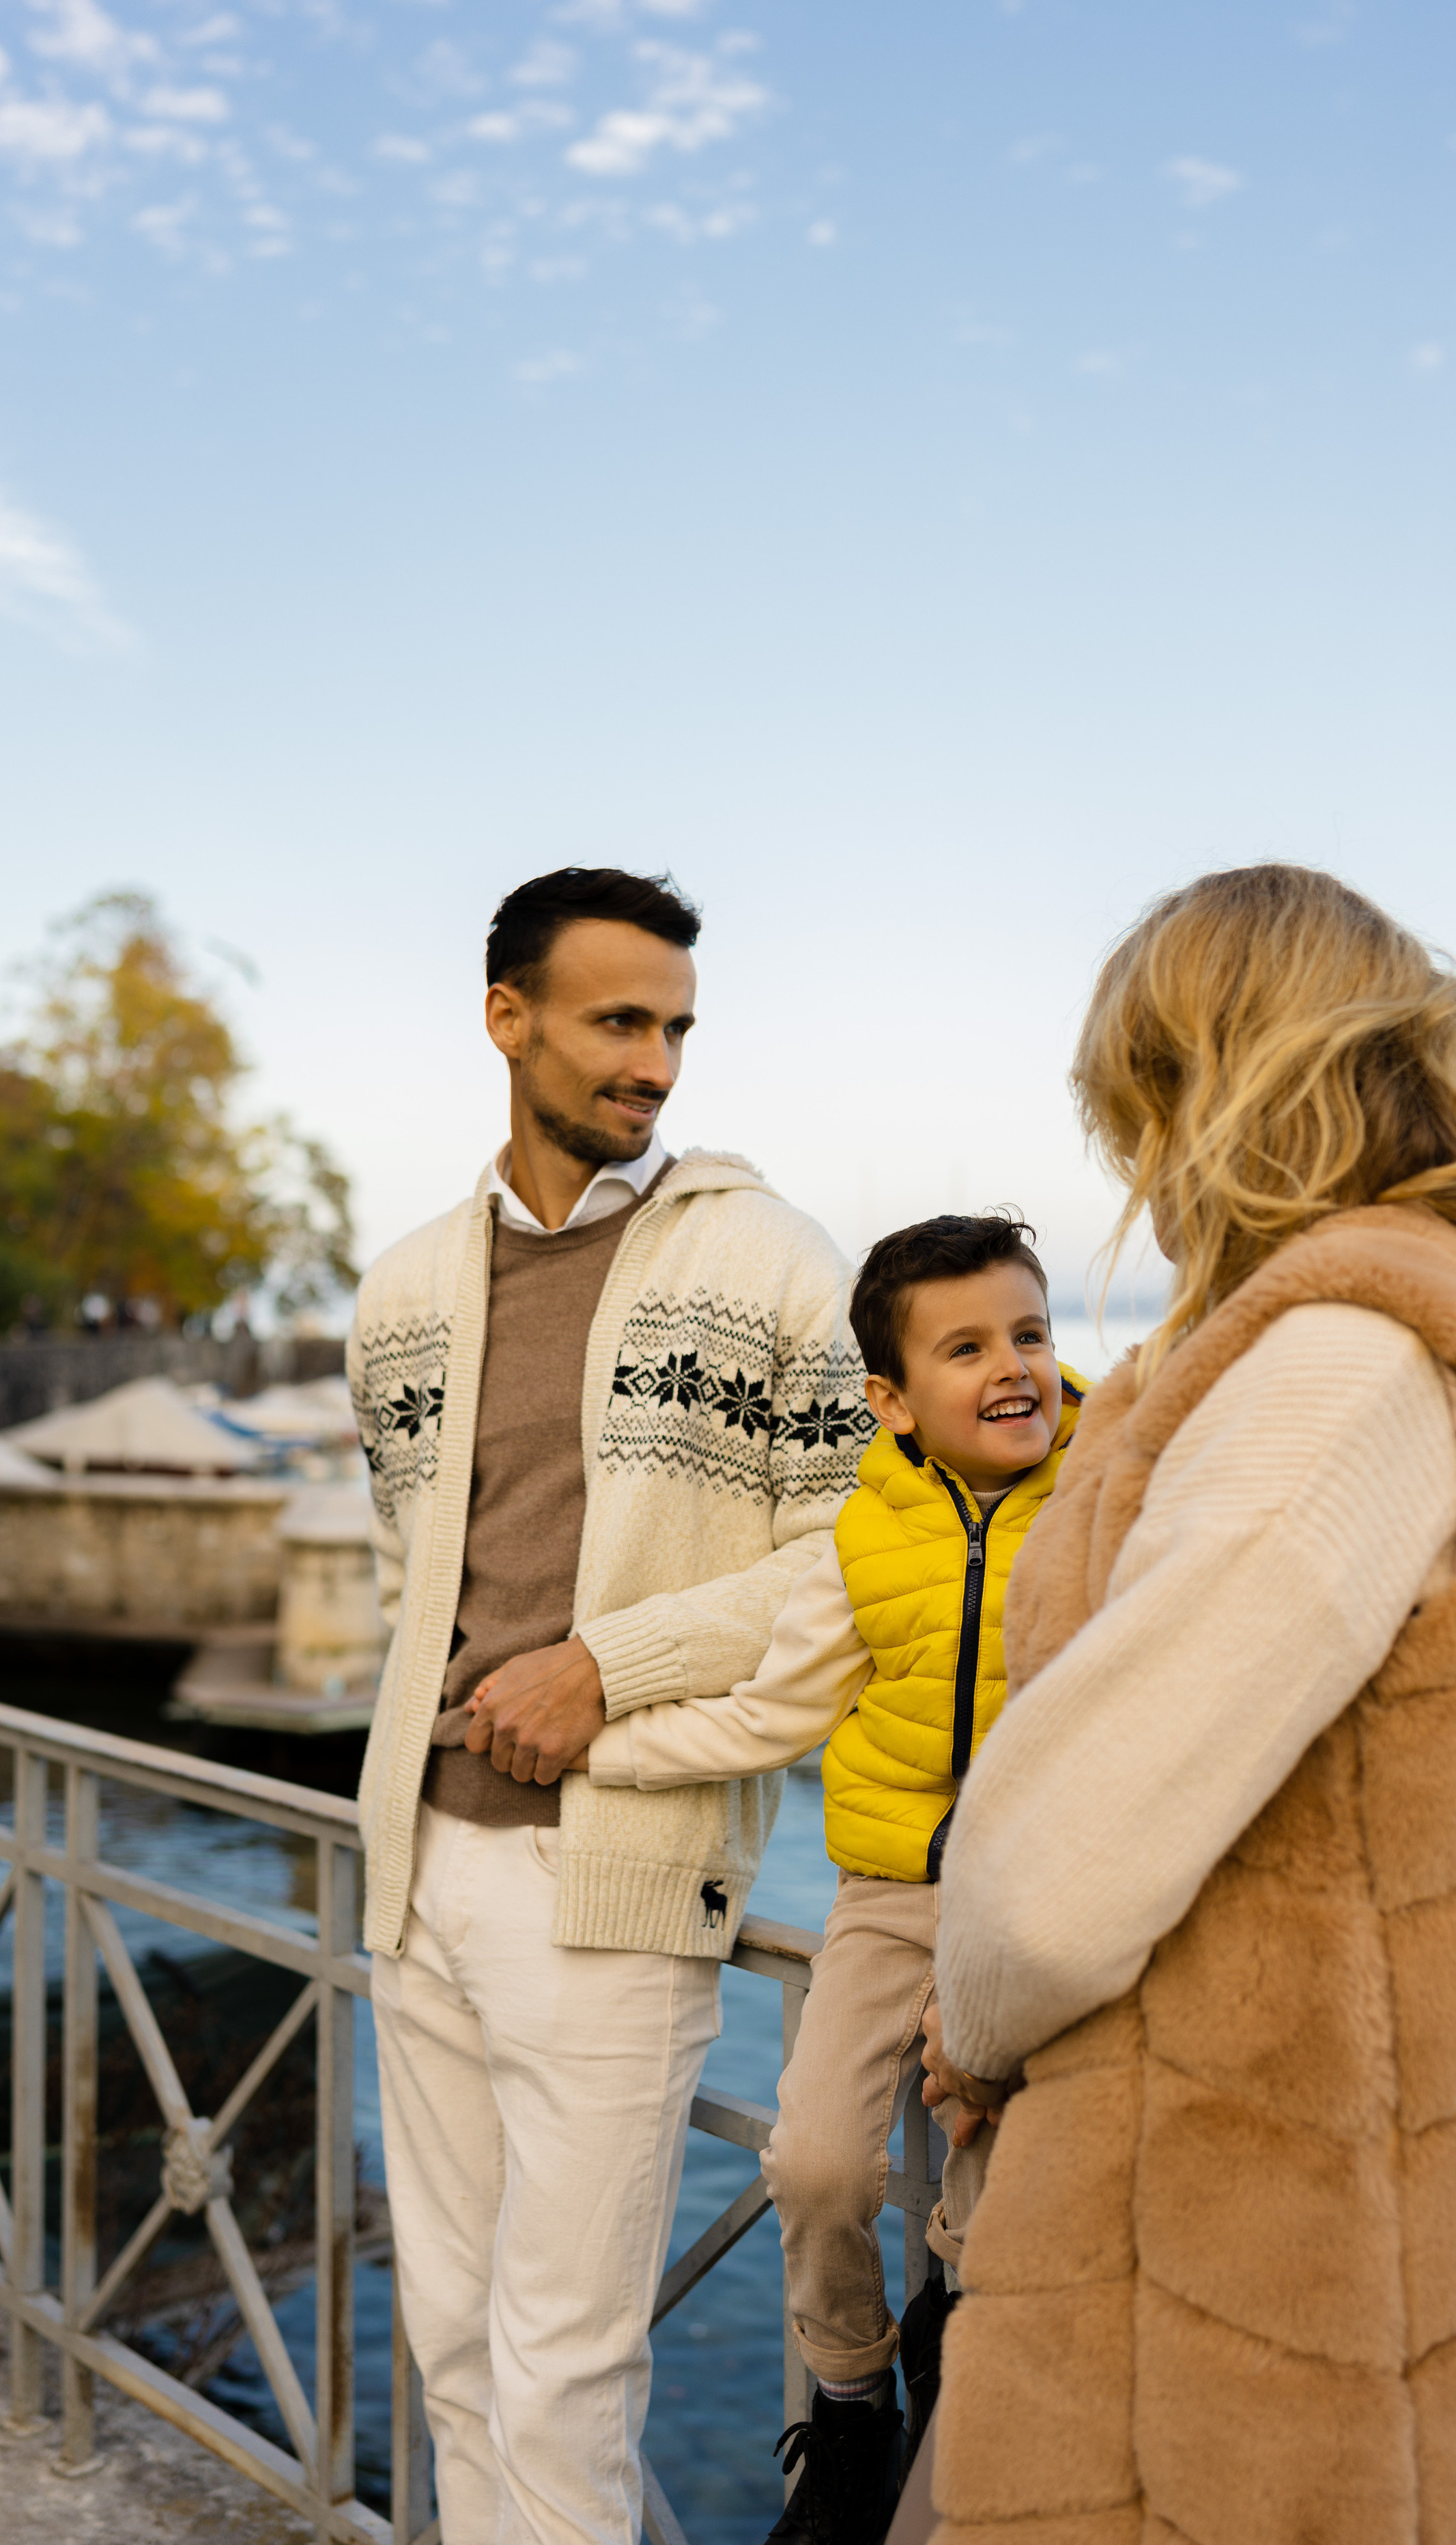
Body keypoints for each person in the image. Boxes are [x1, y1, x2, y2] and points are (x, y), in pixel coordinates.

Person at [920, 865, 1456, 2545]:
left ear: (1217, 1087)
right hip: (1289, 2235)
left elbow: (1062, 1866)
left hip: (1235, 2272)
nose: (1132, 1168)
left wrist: (970, 2021)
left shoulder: (1335, 1369)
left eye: (1138, 1107)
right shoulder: (1373, 1339)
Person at [347, 865, 871, 2545]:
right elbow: (409, 1570)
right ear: (506, 1019)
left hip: (619, 1881)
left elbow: (854, 1559)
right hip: (417, 1868)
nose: (654, 1063)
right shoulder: (403, 1290)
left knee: (562, 2371)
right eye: (618, 1021)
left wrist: (605, 1669)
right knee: (451, 2345)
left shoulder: (771, 1261)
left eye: (676, 1029)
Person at [570, 1213, 1084, 2545]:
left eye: (1028, 1334)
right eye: (964, 1348)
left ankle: (961, 2373)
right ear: (890, 1401)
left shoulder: (1107, 1509)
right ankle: (853, 2408)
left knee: (996, 2194)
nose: (1012, 1367)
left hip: (1045, 1913)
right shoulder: (859, 1539)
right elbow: (771, 1716)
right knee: (809, 2164)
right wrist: (601, 1751)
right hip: (889, 1902)